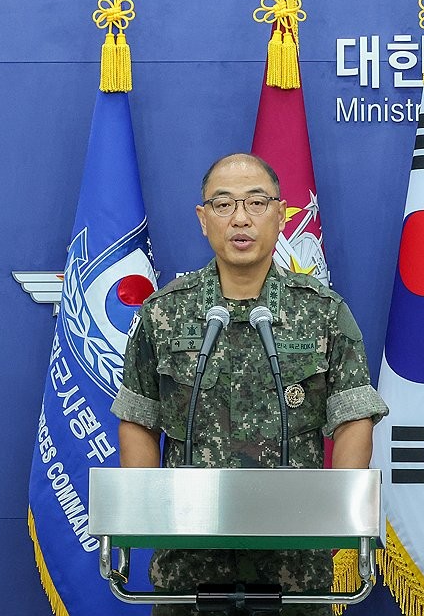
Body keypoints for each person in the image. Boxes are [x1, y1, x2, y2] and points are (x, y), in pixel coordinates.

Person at [112, 153, 389, 616]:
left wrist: (337, 516)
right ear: (203, 219)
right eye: (223, 204)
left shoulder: (322, 311)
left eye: (256, 203)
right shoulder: (163, 313)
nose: (240, 218)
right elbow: (139, 418)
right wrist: (148, 516)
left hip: (296, 569)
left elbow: (353, 418)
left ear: (280, 215)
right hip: (188, 568)